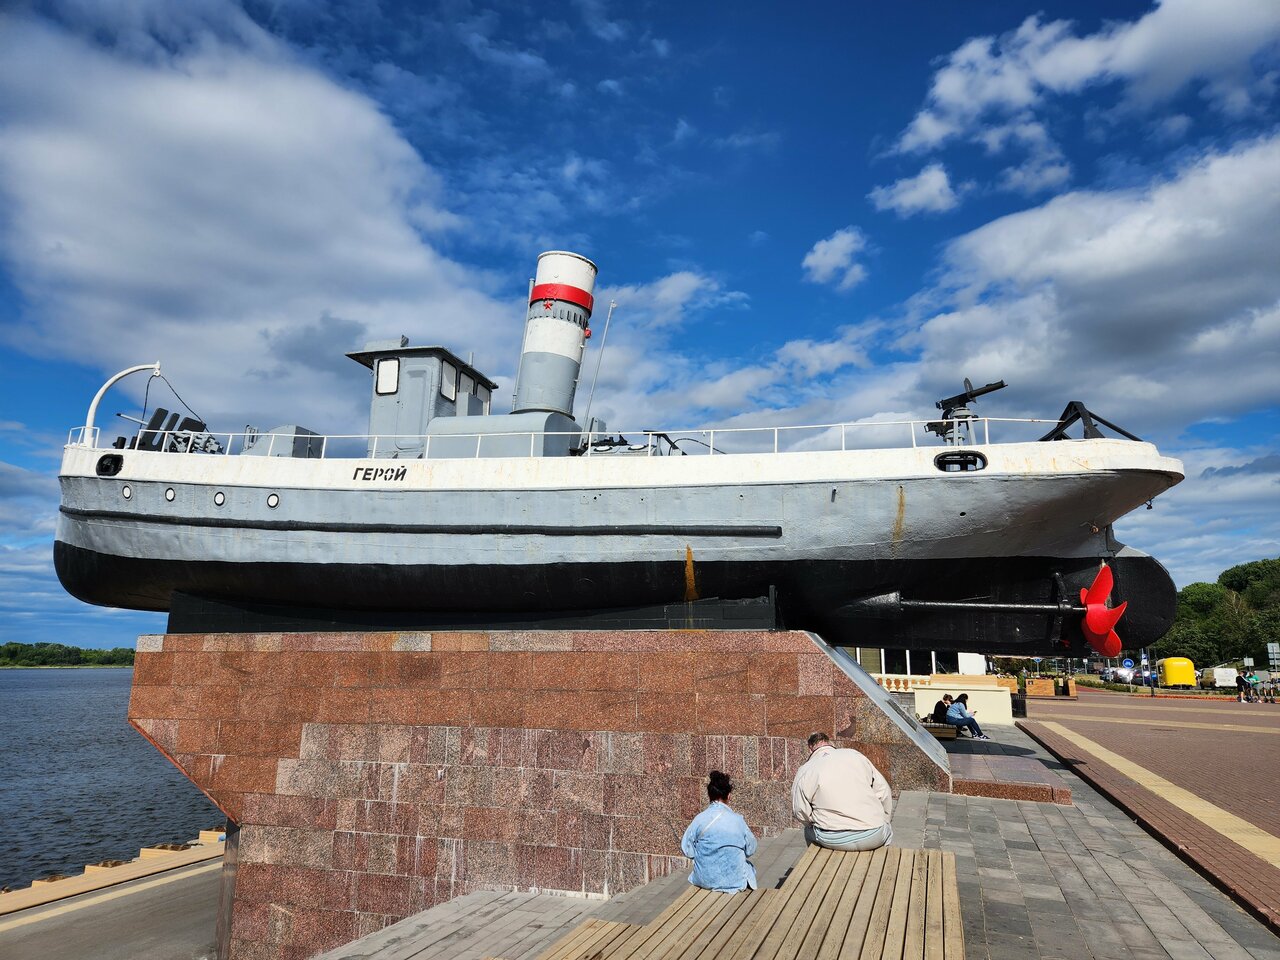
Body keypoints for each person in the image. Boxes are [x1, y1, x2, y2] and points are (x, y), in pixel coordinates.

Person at [791, 732, 893, 851]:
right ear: (830, 743)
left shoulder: (805, 770)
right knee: (887, 829)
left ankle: (818, 864)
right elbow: (883, 791)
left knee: (808, 831)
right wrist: (884, 819)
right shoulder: (855, 755)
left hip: (831, 838)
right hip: (873, 835)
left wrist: (813, 822)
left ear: (810, 748)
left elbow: (799, 810)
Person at [681, 770, 757, 893]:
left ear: (709, 796)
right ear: (729, 796)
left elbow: (687, 850)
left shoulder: (699, 819)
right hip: (734, 881)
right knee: (749, 868)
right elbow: (751, 849)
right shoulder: (738, 820)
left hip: (704, 879)